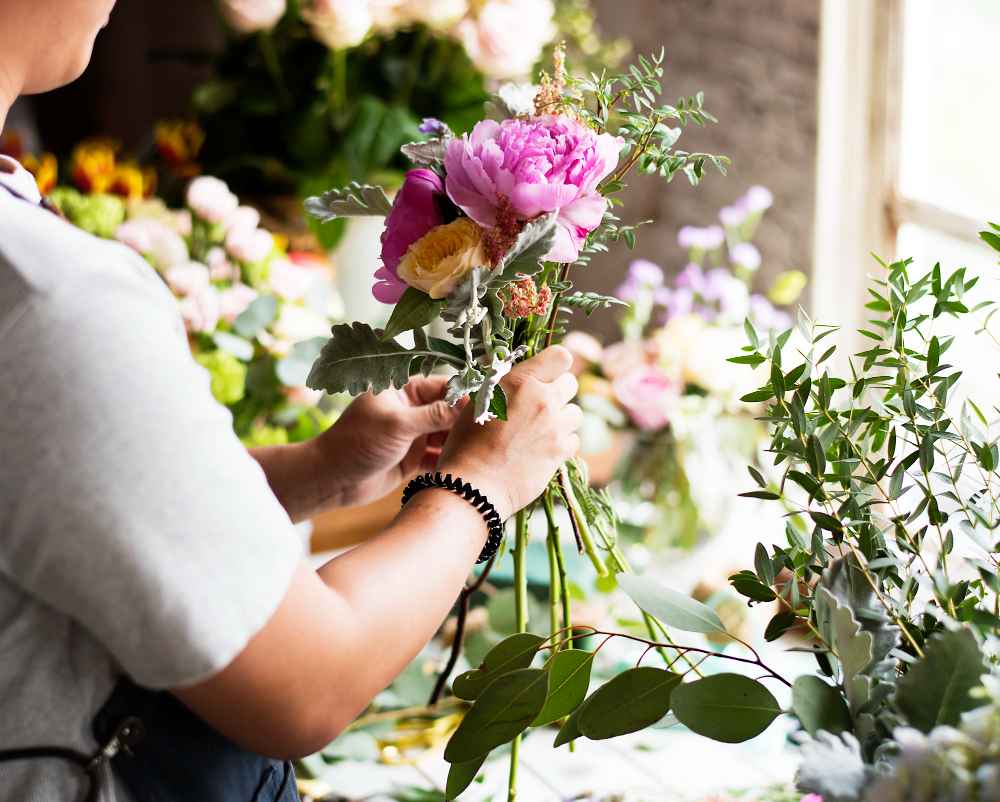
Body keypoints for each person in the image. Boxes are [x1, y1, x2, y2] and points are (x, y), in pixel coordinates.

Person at [0, 2, 583, 801]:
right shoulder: (45, 296)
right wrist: (481, 487)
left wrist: (319, 472)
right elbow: (308, 685)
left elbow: (47, 508)